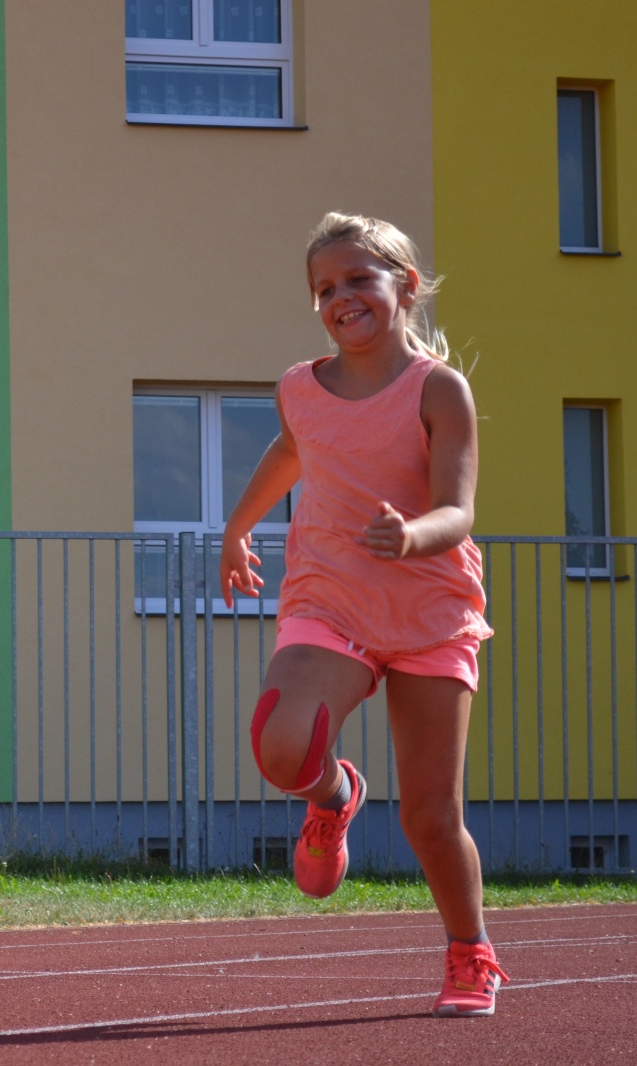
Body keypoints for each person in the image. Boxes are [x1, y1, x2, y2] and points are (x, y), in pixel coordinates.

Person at [219, 212, 508, 1017]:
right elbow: (291, 451)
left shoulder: (439, 389)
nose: (339, 298)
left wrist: (410, 536)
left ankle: (470, 951)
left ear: (404, 286)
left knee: (430, 817)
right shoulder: (300, 387)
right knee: (281, 743)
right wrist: (238, 529)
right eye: (323, 289)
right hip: (329, 596)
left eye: (356, 279)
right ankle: (332, 795)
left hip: (430, 608)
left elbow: (458, 510)